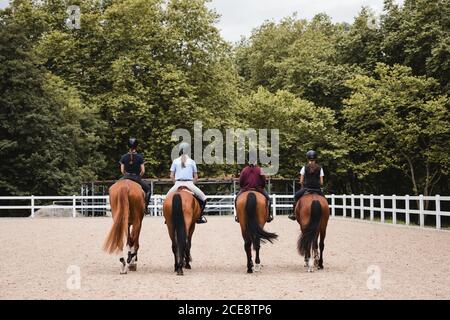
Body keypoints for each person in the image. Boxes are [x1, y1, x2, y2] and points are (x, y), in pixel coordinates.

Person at [166, 142, 207, 224]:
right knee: (204, 199)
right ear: (188, 150)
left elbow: (171, 176)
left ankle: (167, 218)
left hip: (178, 183)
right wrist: (192, 185)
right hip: (189, 183)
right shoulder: (192, 161)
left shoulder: (175, 161)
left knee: (166, 199)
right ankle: (200, 216)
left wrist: (176, 183)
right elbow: (196, 177)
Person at [288, 150, 324, 221]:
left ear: (307, 159)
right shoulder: (320, 168)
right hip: (317, 189)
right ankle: (326, 214)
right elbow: (322, 182)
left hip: (307, 189)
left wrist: (302, 184)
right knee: (324, 200)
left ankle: (293, 214)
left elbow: (301, 181)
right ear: (315, 159)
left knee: (296, 196)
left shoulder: (304, 168)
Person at [119, 138, 151, 214]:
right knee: (148, 190)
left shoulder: (123, 157)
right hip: (136, 177)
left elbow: (122, 170)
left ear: (128, 146)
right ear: (136, 146)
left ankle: (114, 206)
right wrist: (139, 176)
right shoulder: (140, 157)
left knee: (113, 188)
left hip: (126, 177)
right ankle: (145, 208)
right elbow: (143, 171)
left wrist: (126, 175)